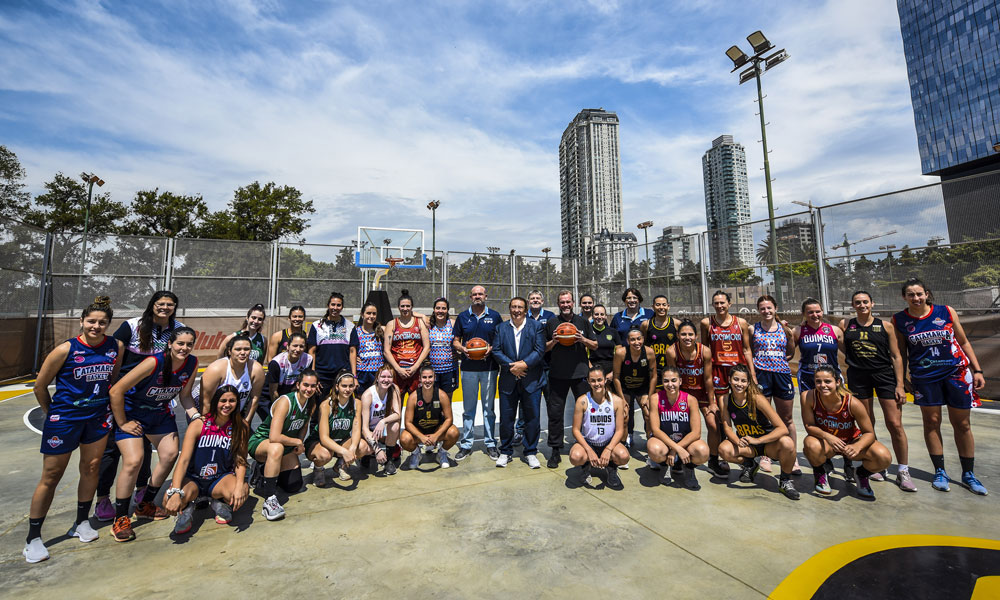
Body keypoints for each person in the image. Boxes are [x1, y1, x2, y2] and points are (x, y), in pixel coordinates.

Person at [24, 297, 123, 563]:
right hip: (65, 419)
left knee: (91, 468)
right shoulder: (64, 350)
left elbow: (112, 380)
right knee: (52, 475)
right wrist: (52, 413)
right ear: (81, 321)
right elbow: (39, 386)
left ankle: (81, 522)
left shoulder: (116, 346)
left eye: (102, 322)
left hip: (97, 418)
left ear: (108, 325)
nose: (96, 326)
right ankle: (33, 537)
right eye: (91, 321)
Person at [95, 290, 186, 523]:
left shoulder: (177, 329)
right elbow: (112, 352)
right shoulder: (132, 326)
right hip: (126, 397)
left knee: (145, 448)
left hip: (153, 400)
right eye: (160, 303)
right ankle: (103, 498)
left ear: (175, 307)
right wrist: (112, 386)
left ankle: (142, 491)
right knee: (113, 450)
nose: (164, 307)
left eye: (169, 304)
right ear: (152, 305)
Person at [893, 278, 987, 495]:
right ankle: (940, 471)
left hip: (956, 373)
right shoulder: (900, 320)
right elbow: (900, 354)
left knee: (962, 424)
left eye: (919, 294)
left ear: (927, 294)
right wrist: (901, 381)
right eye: (911, 295)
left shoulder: (945, 311)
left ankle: (968, 474)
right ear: (904, 297)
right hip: (925, 377)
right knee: (932, 422)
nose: (916, 298)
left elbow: (963, 342)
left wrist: (978, 370)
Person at [107, 327, 199, 542]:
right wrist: (122, 422)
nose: (184, 348)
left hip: (159, 413)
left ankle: (145, 504)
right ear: (170, 344)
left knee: (169, 455)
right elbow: (115, 391)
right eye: (180, 344)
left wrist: (195, 415)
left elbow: (185, 396)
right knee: (133, 461)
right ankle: (120, 518)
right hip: (133, 413)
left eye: (188, 344)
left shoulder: (192, 363)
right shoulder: (153, 362)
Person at [838, 290, 914, 491]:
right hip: (858, 377)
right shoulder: (846, 325)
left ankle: (903, 470)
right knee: (867, 424)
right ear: (852, 306)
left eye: (865, 302)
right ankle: (877, 463)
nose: (862, 305)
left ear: (872, 304)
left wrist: (899, 384)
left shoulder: (886, 326)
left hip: (884, 376)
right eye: (857, 302)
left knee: (895, 423)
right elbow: (844, 347)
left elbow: (897, 357)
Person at [164, 385, 250, 535]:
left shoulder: (240, 426)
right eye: (223, 400)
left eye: (232, 401)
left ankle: (220, 503)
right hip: (194, 479)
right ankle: (186, 510)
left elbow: (240, 459)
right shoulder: (199, 424)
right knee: (168, 499)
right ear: (215, 402)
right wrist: (176, 491)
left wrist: (239, 485)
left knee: (242, 490)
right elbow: (183, 460)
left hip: (219, 479)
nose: (227, 404)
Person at [802, 365, 891, 499]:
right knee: (810, 444)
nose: (822, 385)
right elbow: (809, 425)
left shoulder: (852, 402)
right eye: (818, 381)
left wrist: (857, 446)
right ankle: (820, 473)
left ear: (837, 382)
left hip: (850, 442)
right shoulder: (808, 396)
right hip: (828, 443)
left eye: (827, 381)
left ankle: (861, 474)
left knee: (883, 457)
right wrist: (828, 437)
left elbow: (869, 433)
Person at [718, 365, 800, 500]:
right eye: (736, 379)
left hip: (767, 444)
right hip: (749, 445)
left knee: (788, 443)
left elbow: (782, 428)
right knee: (724, 449)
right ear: (729, 379)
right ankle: (749, 464)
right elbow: (727, 427)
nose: (739, 384)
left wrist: (758, 440)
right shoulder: (725, 399)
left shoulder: (756, 399)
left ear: (749, 382)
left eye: (743, 381)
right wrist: (737, 441)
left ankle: (785, 481)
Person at [248, 369, 319, 520]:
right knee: (276, 447)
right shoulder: (285, 401)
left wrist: (296, 445)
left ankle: (263, 472)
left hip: (285, 445)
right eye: (306, 385)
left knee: (293, 485)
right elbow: (274, 437)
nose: (309, 389)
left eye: (313, 386)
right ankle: (269, 500)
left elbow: (304, 426)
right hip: (262, 442)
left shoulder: (310, 402)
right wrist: (297, 442)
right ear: (298, 385)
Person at [700, 290, 754, 478]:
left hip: (738, 375)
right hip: (717, 375)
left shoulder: (741, 323)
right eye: (716, 303)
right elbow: (705, 351)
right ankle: (715, 459)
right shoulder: (707, 323)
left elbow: (747, 349)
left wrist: (752, 376)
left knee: (743, 417)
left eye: (723, 302)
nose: (720, 305)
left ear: (729, 304)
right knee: (719, 420)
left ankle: (749, 458)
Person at [544, 290, 598, 468]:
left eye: (568, 302)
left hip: (580, 374)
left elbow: (595, 345)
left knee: (586, 412)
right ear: (558, 304)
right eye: (562, 302)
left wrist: (582, 339)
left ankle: (588, 445)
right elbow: (544, 348)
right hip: (557, 374)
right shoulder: (552, 323)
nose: (565, 305)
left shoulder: (582, 321)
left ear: (573, 303)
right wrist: (554, 342)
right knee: (555, 413)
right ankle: (555, 450)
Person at [492, 296, 546, 468]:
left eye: (520, 307)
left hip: (531, 380)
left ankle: (530, 451)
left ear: (526, 309)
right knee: (506, 418)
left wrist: (524, 364)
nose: (516, 310)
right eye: (513, 307)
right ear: (509, 309)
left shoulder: (536, 326)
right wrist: (511, 366)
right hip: (508, 380)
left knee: (532, 418)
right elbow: (496, 350)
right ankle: (506, 451)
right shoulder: (501, 328)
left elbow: (539, 350)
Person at [452, 285, 502, 460]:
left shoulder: (494, 316)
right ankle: (466, 444)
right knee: (469, 409)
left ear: (486, 296)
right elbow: (456, 340)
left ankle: (490, 443)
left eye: (480, 294)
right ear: (470, 297)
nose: (477, 296)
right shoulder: (463, 316)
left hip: (489, 368)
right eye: (474, 294)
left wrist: (492, 348)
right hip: (468, 368)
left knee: (489, 409)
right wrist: (463, 348)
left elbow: (500, 339)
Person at [750, 295, 799, 475]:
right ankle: (766, 455)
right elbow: (749, 350)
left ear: (775, 308)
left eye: (769, 308)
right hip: (762, 376)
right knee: (764, 417)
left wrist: (778, 360)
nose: (766, 311)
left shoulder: (785, 329)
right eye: (762, 308)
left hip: (782, 375)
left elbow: (791, 352)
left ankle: (792, 457)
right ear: (758, 310)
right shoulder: (752, 329)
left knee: (786, 418)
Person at [646, 366, 709, 489]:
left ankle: (689, 468)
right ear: (662, 382)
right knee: (654, 449)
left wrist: (675, 450)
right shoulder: (655, 398)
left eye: (674, 380)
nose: (670, 384)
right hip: (664, 442)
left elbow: (696, 433)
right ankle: (665, 466)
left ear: (680, 381)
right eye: (666, 381)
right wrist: (674, 448)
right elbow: (655, 430)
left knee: (703, 451)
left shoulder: (690, 400)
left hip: (685, 444)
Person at [568, 367, 628, 489]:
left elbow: (620, 430)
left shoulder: (616, 401)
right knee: (575, 457)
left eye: (599, 380)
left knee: (623, 456)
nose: (597, 384)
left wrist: (609, 449)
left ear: (605, 380)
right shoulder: (582, 401)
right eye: (593, 381)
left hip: (608, 442)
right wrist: (589, 450)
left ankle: (611, 468)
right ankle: (586, 467)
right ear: (588, 381)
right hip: (589, 442)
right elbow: (575, 430)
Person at [307, 371, 369, 486]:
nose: (347, 389)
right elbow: (324, 438)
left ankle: (340, 465)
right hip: (320, 444)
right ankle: (318, 469)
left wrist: (352, 449)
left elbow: (356, 429)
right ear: (337, 386)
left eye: (351, 386)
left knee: (362, 447)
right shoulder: (326, 405)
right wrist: (344, 451)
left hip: (340, 442)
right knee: (325, 454)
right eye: (344, 386)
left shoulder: (357, 403)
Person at [401, 365, 460, 470]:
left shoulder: (442, 395)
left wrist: (436, 436)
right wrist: (422, 437)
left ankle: (441, 453)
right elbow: (408, 423)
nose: (427, 380)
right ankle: (416, 453)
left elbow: (449, 419)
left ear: (434, 377)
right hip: (420, 431)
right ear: (419, 379)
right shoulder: (413, 397)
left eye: (430, 377)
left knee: (454, 432)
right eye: (424, 377)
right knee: (404, 439)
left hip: (436, 430)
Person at [519, 290, 556, 446]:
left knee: (550, 402)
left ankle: (552, 433)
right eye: (532, 298)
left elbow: (554, 339)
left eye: (537, 298)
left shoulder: (550, 317)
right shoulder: (522, 316)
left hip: (547, 366)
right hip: (528, 367)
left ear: (543, 300)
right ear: (528, 301)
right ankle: (520, 432)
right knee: (525, 402)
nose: (535, 300)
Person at [199, 335, 266, 420]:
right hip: (206, 410)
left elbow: (254, 399)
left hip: (233, 414)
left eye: (246, 349)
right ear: (229, 351)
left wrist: (246, 423)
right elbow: (205, 401)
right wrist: (208, 426)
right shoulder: (216, 369)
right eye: (238, 349)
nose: (242, 352)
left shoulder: (256, 370)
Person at [612, 329, 657, 450]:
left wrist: (650, 396)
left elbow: (653, 376)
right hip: (626, 388)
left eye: (639, 339)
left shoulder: (649, 352)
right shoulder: (621, 353)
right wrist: (621, 399)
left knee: (648, 414)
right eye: (632, 339)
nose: (636, 342)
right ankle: (623, 445)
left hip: (642, 387)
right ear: (627, 341)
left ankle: (651, 445)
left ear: (643, 339)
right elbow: (616, 377)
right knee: (625, 415)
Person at [793, 298, 843, 399]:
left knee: (836, 407)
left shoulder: (835, 330)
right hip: (807, 376)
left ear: (822, 311)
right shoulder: (797, 331)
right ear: (804, 313)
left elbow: (847, 352)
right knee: (809, 407)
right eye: (810, 312)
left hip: (832, 375)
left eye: (818, 311)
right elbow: (787, 352)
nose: (815, 315)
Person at [384, 289, 430, 400]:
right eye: (402, 306)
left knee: (416, 406)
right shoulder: (392, 324)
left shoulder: (419, 323)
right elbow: (386, 351)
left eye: (408, 306)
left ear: (412, 307)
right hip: (398, 371)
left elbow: (427, 347)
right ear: (398, 307)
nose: (405, 309)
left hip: (415, 371)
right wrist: (398, 369)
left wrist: (415, 367)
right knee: (396, 408)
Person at [308, 292, 356, 396]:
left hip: (342, 373)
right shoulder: (317, 325)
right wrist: (313, 375)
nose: (335, 307)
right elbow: (312, 352)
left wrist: (354, 376)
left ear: (342, 307)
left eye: (338, 305)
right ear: (328, 305)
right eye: (333, 304)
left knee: (341, 406)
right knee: (320, 406)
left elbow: (352, 352)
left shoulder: (350, 326)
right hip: (322, 374)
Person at [359, 365, 402, 475]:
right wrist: (377, 450)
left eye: (389, 377)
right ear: (377, 378)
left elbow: (398, 414)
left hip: (381, 429)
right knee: (364, 453)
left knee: (395, 425)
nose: (386, 380)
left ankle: (389, 460)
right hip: (367, 431)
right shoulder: (368, 395)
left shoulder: (394, 389)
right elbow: (364, 428)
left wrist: (383, 421)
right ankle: (368, 454)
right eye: (383, 376)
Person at [263, 331, 313, 421]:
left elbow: (300, 383)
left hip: (289, 391)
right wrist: (280, 410)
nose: (297, 349)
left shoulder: (308, 359)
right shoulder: (276, 363)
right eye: (295, 345)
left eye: (301, 346)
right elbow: (273, 391)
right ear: (287, 346)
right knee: (273, 423)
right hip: (270, 395)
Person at [426, 297, 459, 398]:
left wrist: (459, 354)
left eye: (443, 308)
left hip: (449, 370)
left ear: (447, 310)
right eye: (438, 308)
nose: (440, 311)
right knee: (433, 401)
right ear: (434, 309)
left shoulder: (452, 324)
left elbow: (460, 341)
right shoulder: (428, 324)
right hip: (433, 371)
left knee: (447, 402)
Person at [640, 294, 678, 378]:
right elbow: (643, 346)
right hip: (653, 368)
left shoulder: (676, 324)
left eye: (664, 305)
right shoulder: (646, 324)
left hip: (671, 368)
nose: (661, 307)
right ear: (653, 307)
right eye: (658, 305)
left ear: (668, 306)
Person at [351, 302, 385, 392]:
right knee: (361, 400)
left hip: (378, 372)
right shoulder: (356, 332)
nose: (371, 316)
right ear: (362, 314)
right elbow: (351, 352)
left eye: (374, 313)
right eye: (368, 313)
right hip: (362, 373)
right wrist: (354, 376)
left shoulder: (381, 331)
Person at [590, 304, 622, 376]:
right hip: (593, 367)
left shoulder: (613, 332)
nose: (599, 317)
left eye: (602, 314)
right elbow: (584, 355)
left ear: (605, 316)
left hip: (610, 368)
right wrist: (592, 371)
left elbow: (619, 354)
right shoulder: (588, 331)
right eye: (596, 314)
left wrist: (613, 373)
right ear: (592, 316)